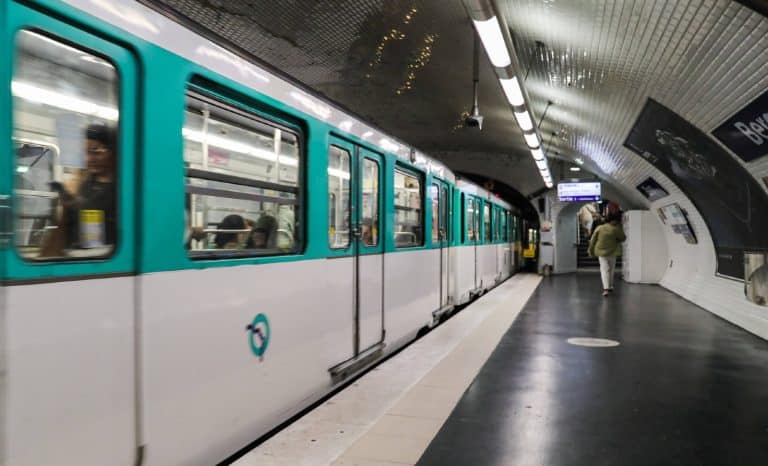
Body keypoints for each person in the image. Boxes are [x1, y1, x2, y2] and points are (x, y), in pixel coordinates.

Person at [43, 124, 116, 256]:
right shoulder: (82, 183)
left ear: (112, 152)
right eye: (85, 153)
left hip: (100, 261)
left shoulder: (120, 190)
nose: (89, 159)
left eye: (96, 151)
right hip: (75, 255)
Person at [588, 212, 626, 297]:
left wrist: (590, 251)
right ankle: (609, 286)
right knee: (611, 270)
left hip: (601, 252)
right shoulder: (615, 229)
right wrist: (620, 228)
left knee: (604, 270)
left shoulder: (599, 228)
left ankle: (606, 288)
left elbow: (592, 240)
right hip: (612, 252)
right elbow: (623, 238)